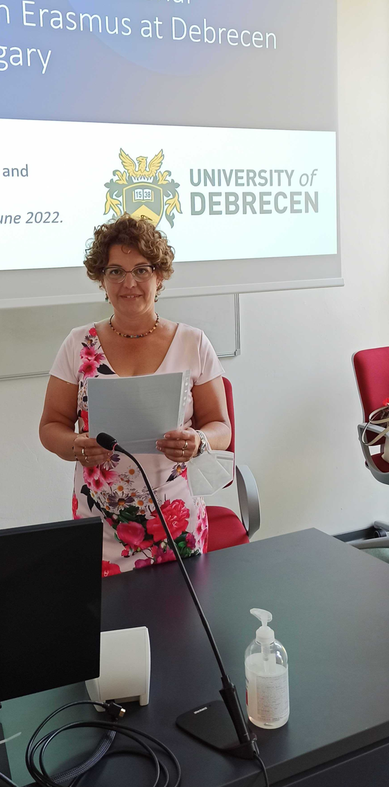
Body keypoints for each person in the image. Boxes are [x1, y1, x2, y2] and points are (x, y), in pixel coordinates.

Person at [39, 214, 231, 575]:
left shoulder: (193, 342)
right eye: (115, 271)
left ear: (160, 276)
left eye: (141, 270)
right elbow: (50, 427)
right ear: (102, 279)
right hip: (100, 522)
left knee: (179, 611)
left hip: (176, 520)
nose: (129, 283)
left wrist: (199, 441)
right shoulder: (78, 343)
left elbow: (221, 427)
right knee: (107, 612)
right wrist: (75, 446)